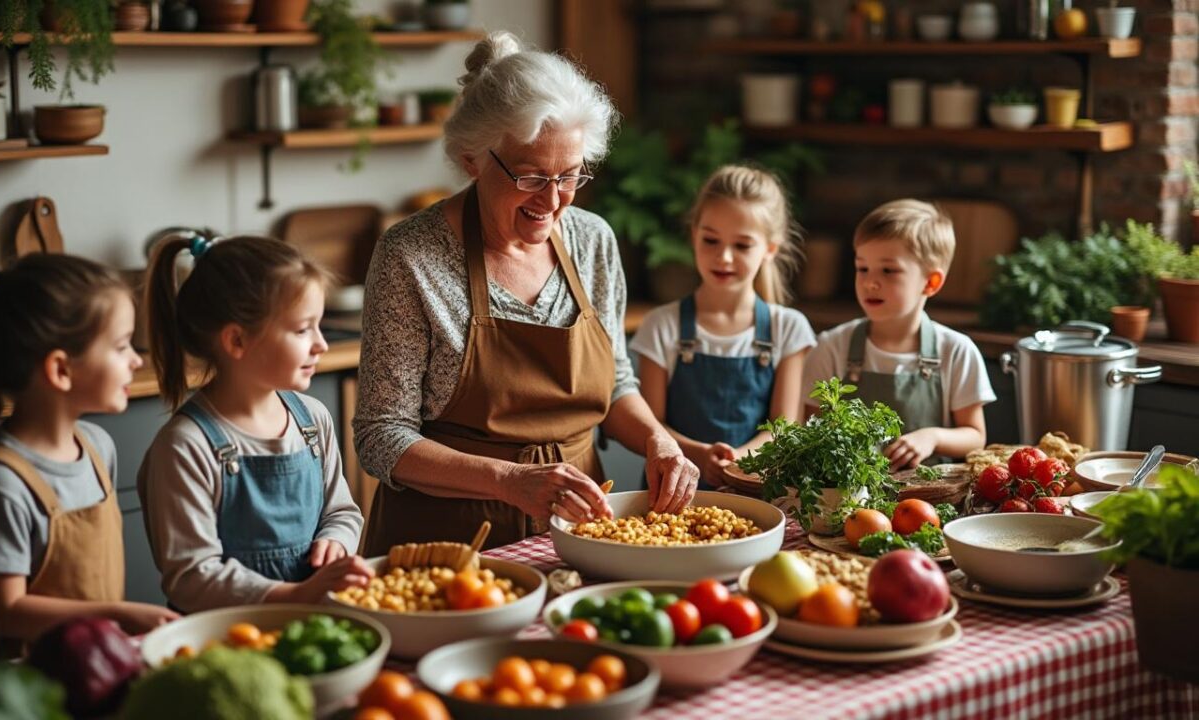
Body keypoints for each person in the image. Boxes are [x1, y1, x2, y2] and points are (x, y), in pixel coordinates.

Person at [354, 31, 700, 556]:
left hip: (581, 529)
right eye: (532, 175)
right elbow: (381, 437)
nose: (553, 200)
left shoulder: (592, 241)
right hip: (446, 542)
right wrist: (510, 481)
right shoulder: (412, 257)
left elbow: (615, 381)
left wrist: (658, 439)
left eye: (570, 176)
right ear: (473, 158)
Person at [0, 254, 177, 643]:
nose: (137, 360)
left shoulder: (99, 447)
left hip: (92, 668)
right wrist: (117, 614)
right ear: (60, 370)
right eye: (121, 347)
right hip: (26, 693)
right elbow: (5, 613)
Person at [138, 235, 369, 612]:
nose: (321, 344)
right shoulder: (185, 447)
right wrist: (295, 595)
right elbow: (191, 577)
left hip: (309, 623)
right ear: (237, 341)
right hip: (225, 640)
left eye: (319, 326)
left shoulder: (313, 420)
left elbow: (342, 512)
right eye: (302, 330)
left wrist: (336, 541)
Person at [630, 165, 815, 488]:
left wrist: (737, 461)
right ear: (693, 236)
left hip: (758, 495)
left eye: (742, 245)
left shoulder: (788, 328)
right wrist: (698, 455)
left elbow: (784, 428)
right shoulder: (661, 326)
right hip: (670, 497)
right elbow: (652, 425)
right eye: (711, 240)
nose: (724, 257)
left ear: (770, 249)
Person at [802, 200, 995, 469]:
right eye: (862, 268)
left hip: (930, 503)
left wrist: (933, 437)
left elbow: (975, 437)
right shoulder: (832, 346)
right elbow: (810, 431)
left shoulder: (956, 351)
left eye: (888, 270)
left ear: (931, 282)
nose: (870, 282)